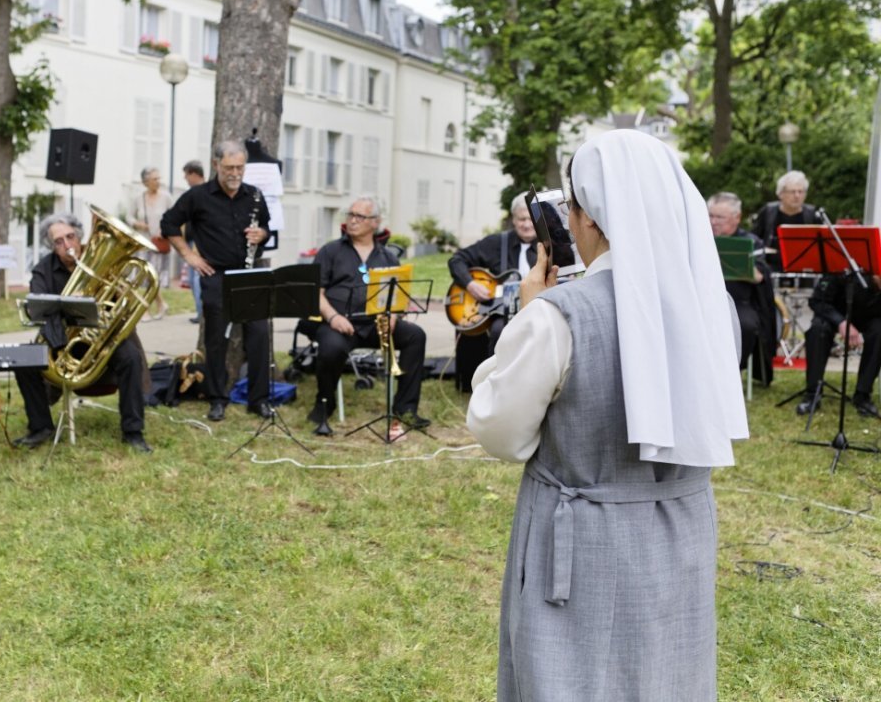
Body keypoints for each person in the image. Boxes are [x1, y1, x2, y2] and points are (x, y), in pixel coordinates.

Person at [467, 129, 747, 700]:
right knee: (669, 677)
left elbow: (500, 431)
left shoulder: (557, 318)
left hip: (583, 543)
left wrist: (528, 317)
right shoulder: (713, 307)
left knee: (569, 678)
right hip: (680, 535)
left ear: (589, 218)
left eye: (571, 208)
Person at [13, 213, 152, 452]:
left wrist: (120, 292)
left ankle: (133, 432)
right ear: (52, 246)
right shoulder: (42, 271)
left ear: (79, 236)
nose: (67, 245)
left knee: (130, 357)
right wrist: (67, 308)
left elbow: (124, 307)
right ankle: (40, 427)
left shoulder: (105, 261)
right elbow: (40, 310)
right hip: (63, 342)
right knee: (22, 360)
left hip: (103, 337)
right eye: (59, 241)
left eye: (70, 237)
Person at [160, 139, 272, 422]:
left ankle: (258, 400)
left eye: (240, 167)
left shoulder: (255, 196)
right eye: (229, 168)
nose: (235, 173)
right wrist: (189, 256)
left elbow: (267, 230)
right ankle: (217, 399)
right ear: (215, 165)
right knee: (215, 340)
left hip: (249, 274)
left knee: (259, 335)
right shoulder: (198, 196)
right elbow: (169, 223)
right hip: (216, 275)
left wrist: (263, 235)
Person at [307, 196, 428, 437]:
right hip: (339, 324)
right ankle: (324, 404)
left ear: (375, 223)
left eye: (359, 217)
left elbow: (398, 296)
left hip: (375, 325)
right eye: (350, 215)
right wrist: (333, 317)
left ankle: (405, 409)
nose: (352, 221)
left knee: (416, 336)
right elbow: (316, 293)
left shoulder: (388, 257)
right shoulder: (330, 251)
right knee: (330, 348)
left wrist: (394, 315)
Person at [446, 197, 538, 392]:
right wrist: (470, 284)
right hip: (502, 312)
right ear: (513, 220)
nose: (527, 224)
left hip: (537, 309)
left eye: (531, 219)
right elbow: (457, 259)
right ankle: (492, 388)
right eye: (521, 219)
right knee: (498, 331)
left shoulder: (549, 246)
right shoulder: (498, 243)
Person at [709, 191, 776, 386]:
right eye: (710, 216)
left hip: (741, 303)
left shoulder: (752, 241)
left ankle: (733, 372)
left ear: (736, 218)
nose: (713, 221)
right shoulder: (699, 237)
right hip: (706, 300)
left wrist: (746, 267)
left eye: (719, 217)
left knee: (745, 326)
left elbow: (761, 277)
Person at [795, 272, 881, 417]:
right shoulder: (838, 266)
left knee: (879, 331)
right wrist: (841, 322)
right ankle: (813, 393)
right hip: (835, 314)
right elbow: (817, 301)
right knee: (817, 329)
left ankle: (863, 394)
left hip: (869, 314)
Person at [751, 170, 818, 272]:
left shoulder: (813, 214)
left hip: (804, 269)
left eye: (801, 191)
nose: (797, 196)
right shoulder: (768, 211)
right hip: (770, 269)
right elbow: (754, 238)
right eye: (792, 192)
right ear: (780, 194)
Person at [129, 166, 174, 319]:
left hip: (159, 243)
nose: (158, 182)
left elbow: (173, 217)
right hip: (143, 242)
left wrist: (165, 230)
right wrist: (137, 224)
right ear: (146, 182)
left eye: (158, 178)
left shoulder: (166, 197)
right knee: (145, 276)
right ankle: (158, 305)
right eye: (155, 179)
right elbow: (129, 217)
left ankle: (148, 309)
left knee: (153, 277)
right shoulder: (138, 198)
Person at [182, 159, 205, 323]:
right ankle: (199, 312)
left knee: (197, 279)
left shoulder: (202, 193)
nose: (185, 178)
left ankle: (202, 314)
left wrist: (196, 245)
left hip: (199, 244)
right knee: (191, 280)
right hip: (190, 243)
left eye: (187, 174)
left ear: (195, 174)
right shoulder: (192, 193)